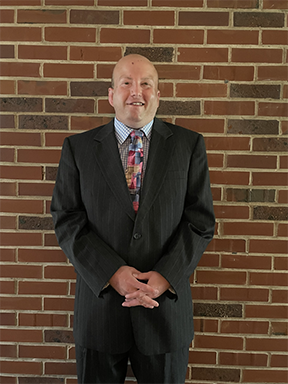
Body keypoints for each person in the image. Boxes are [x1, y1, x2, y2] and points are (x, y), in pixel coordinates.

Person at [50, 54, 215, 384]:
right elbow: (67, 219)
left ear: (158, 93)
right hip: (100, 312)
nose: (136, 91)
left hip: (164, 312)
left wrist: (165, 278)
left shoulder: (188, 145)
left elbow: (199, 221)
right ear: (111, 95)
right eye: (126, 83)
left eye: (145, 84)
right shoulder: (78, 149)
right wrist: (112, 273)